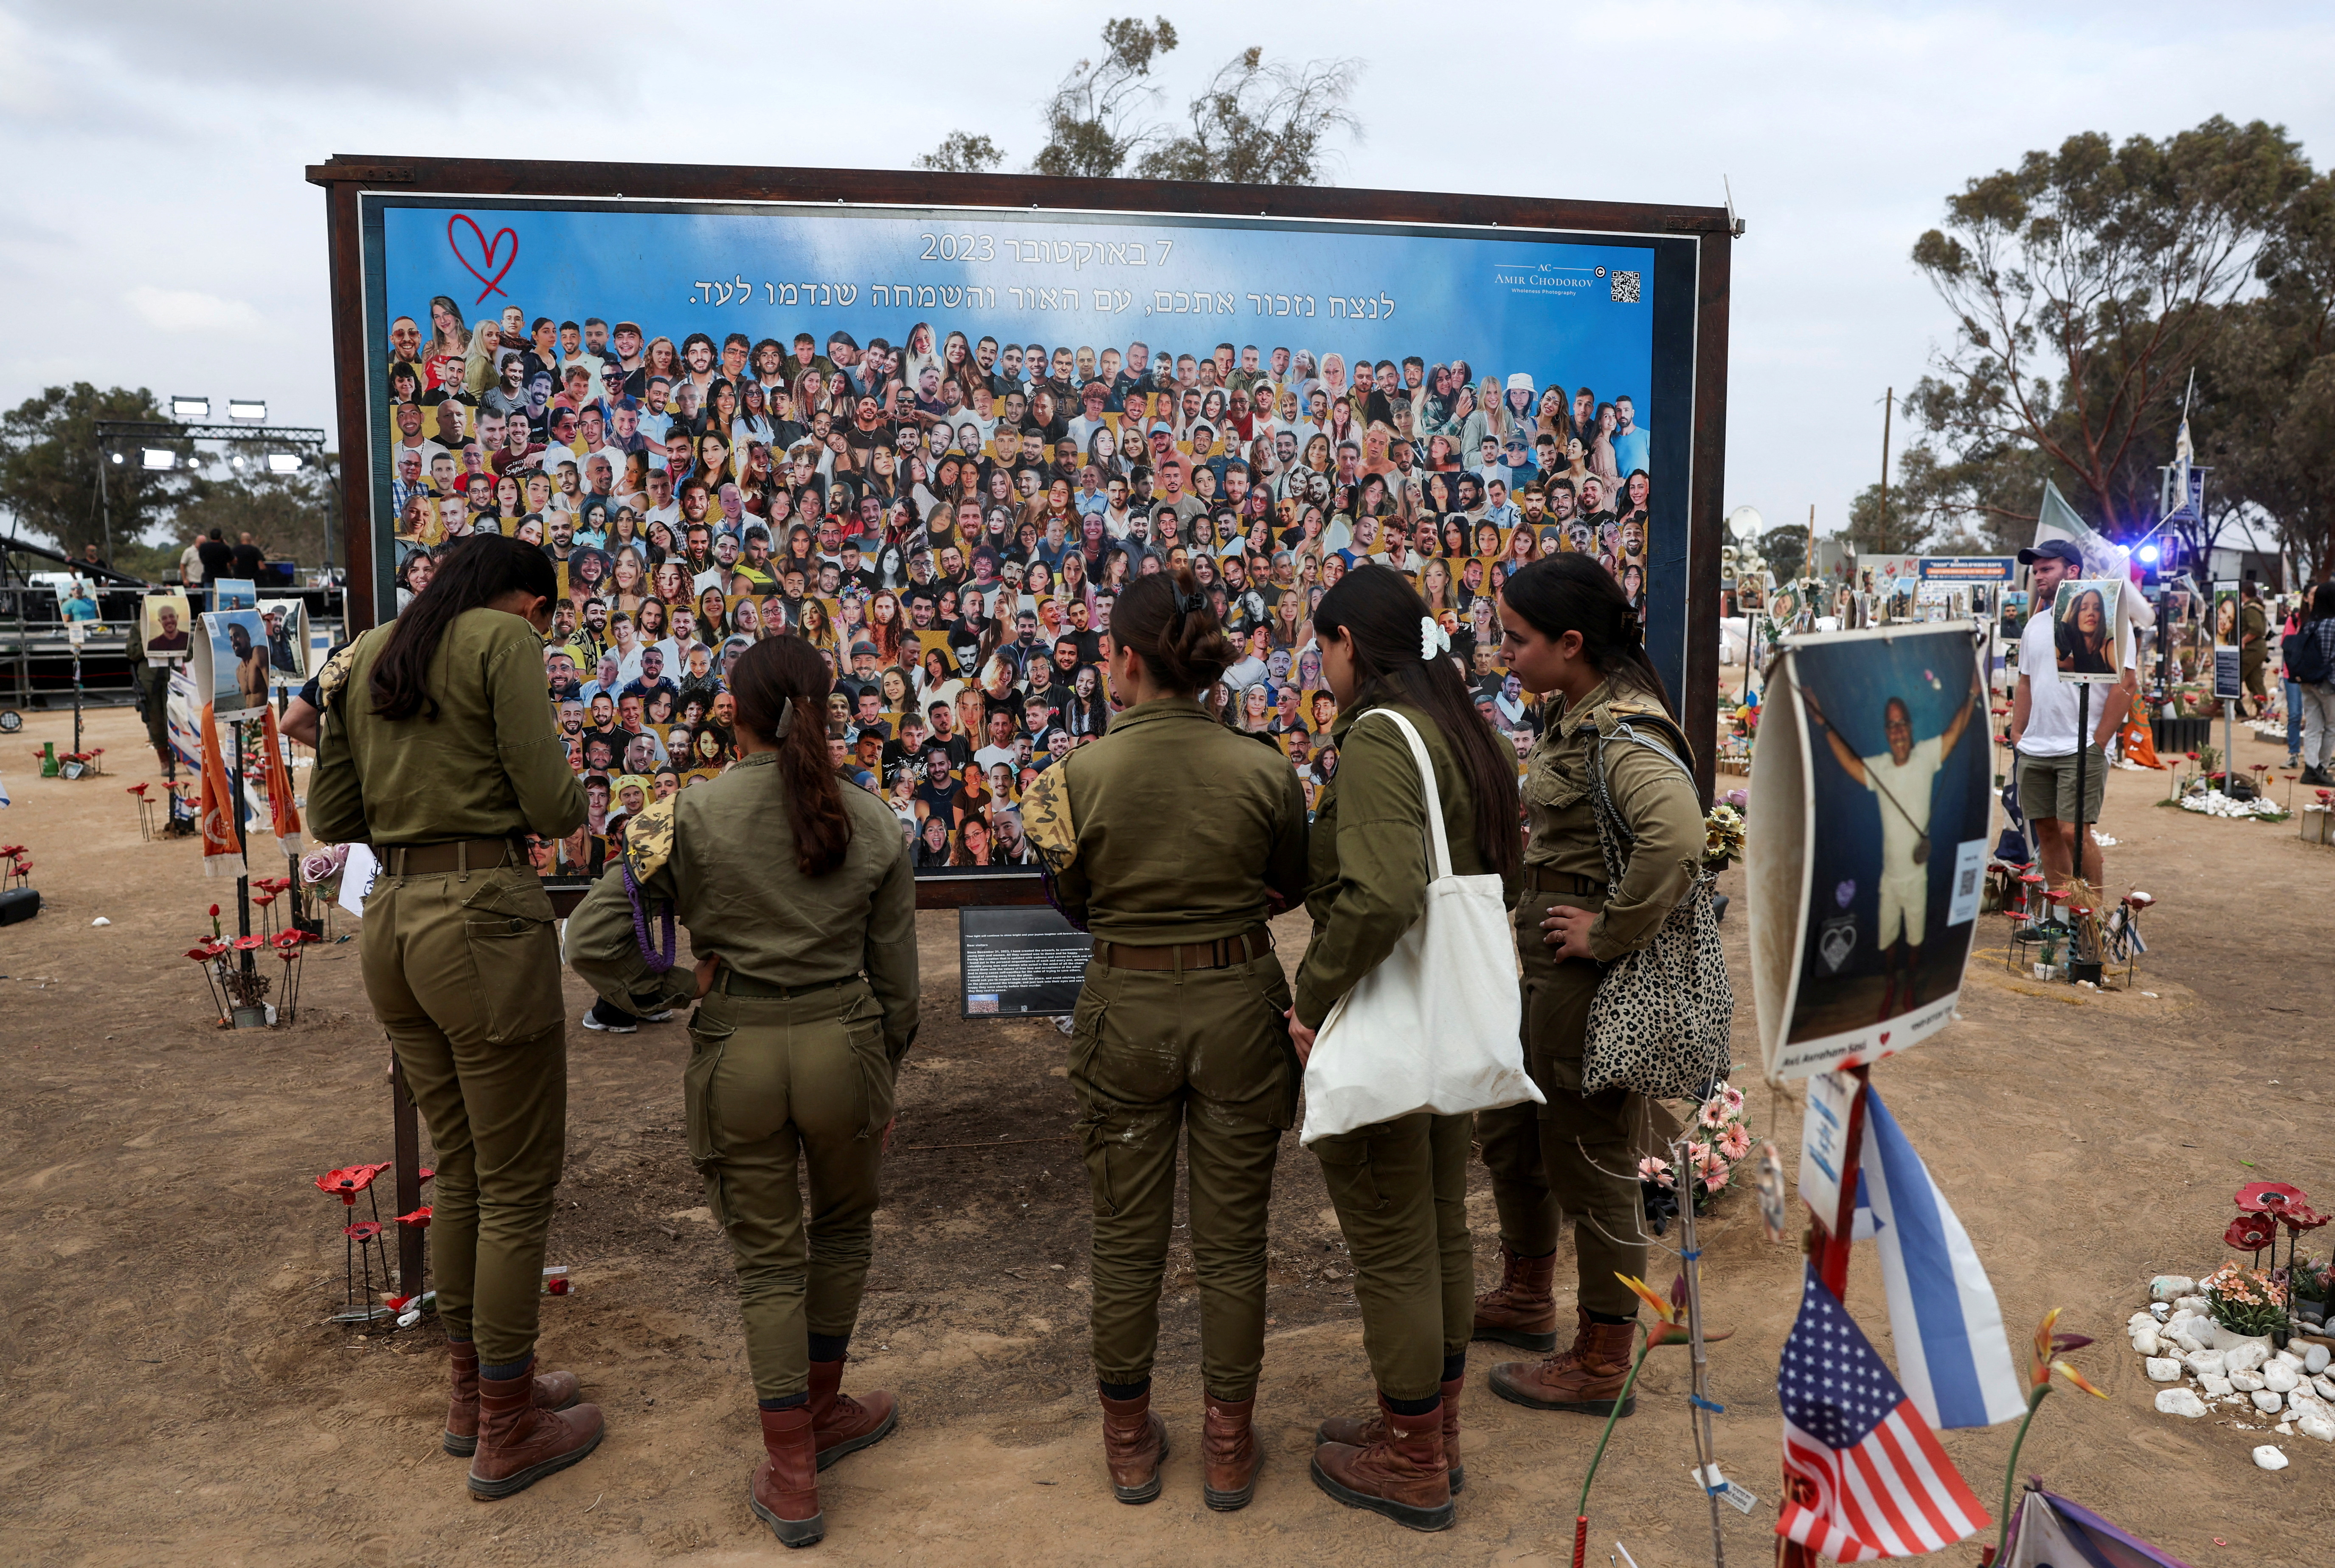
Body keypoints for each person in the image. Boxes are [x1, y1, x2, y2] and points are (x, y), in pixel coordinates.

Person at [567, 637, 917, 1548]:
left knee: (767, 1261)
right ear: (828, 711)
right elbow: (901, 992)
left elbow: (593, 942)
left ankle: (792, 1470)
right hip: (844, 1048)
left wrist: (684, 990)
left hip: (739, 1051)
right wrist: (879, 1086)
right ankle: (825, 1409)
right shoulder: (874, 824)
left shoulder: (687, 815)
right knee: (841, 1230)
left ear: (736, 711)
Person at [307, 535, 602, 1502]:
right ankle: (510, 1425)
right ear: (526, 599)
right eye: (547, 613)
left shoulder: (369, 650)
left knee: (468, 1161)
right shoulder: (502, 639)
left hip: (390, 920)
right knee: (517, 1177)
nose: (546, 629)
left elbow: (329, 810)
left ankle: (476, 1391)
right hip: (480, 919)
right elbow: (555, 806)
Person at [1018, 564, 1308, 1513]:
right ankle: (1227, 1445)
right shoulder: (1266, 769)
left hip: (1127, 1011)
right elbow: (1288, 883)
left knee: (1126, 1239)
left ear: (1129, 660)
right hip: (1236, 1009)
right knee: (1233, 1244)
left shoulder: (1073, 777)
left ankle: (1130, 1439)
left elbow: (1072, 900)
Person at [1283, 565, 1522, 1532]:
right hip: (1443, 1019)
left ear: (1348, 642)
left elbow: (1380, 893)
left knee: (1391, 1241)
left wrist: (1309, 996)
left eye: (1321, 645)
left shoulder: (1381, 739)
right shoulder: (1457, 733)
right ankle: (1433, 1426)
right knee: (1433, 1224)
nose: (1318, 664)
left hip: (1390, 1013)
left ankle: (1411, 1455)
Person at [1470, 555, 1703, 1419]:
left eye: (1516, 637)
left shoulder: (1620, 729)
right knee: (1518, 1133)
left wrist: (1607, 931)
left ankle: (1603, 1356)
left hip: (1586, 983)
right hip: (1546, 973)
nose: (1504, 653)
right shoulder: (1579, 714)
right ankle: (1527, 1294)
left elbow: (1675, 836)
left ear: (1570, 643)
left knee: (1590, 1157)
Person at [1803, 682, 1978, 1018]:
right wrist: (1823, 721)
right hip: (1889, 877)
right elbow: (1850, 762)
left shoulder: (1927, 756)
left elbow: (1955, 732)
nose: (1897, 731)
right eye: (1891, 725)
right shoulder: (1880, 768)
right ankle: (1890, 989)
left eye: (1902, 723)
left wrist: (1971, 693)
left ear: (1910, 728)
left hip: (1917, 877)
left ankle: (1909, 987)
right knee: (1888, 941)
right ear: (1886, 732)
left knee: (1915, 940)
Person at [2009, 540, 2132, 891]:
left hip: (2081, 745)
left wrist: (2099, 741)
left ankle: (2090, 917)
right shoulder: (2036, 625)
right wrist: (2018, 735)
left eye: (2047, 569)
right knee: (2047, 832)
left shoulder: (2112, 622)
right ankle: (2061, 916)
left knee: (2073, 832)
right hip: (2036, 747)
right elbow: (2025, 682)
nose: (2039, 576)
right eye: (2036, 571)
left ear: (2073, 571)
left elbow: (2128, 683)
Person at [2294, 583, 2335, 787]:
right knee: (2331, 727)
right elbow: (2329, 657)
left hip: (2308, 681)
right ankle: (2321, 768)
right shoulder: (2333, 624)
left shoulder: (2310, 622)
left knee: (2313, 726)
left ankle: (2310, 768)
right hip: (2328, 683)